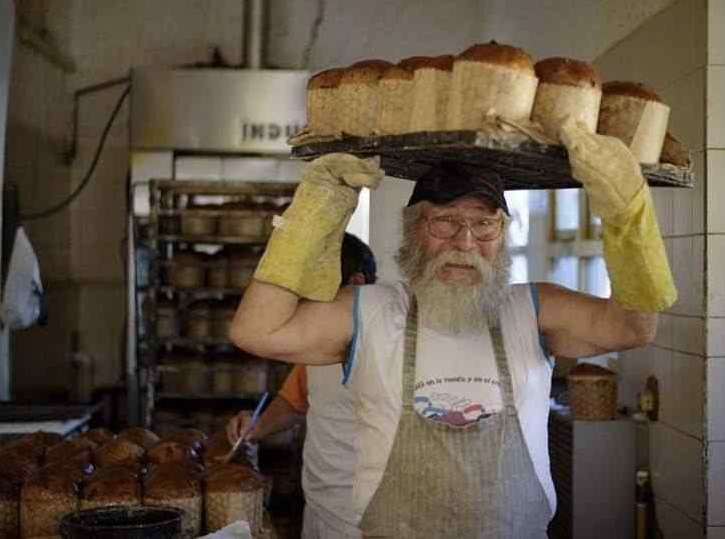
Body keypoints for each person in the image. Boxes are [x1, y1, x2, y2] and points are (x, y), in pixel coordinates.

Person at [230, 119, 676, 538]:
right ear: (412, 231)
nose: (465, 242)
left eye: (484, 224)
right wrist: (311, 214)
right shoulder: (370, 312)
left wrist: (628, 215)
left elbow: (633, 327)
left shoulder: (533, 308)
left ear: (503, 236)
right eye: (444, 221)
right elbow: (257, 331)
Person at [227, 232, 376, 539]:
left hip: (366, 518)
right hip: (320, 507)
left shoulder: (389, 340)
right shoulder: (318, 342)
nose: (305, 304)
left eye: (317, 291)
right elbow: (296, 401)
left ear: (356, 283)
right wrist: (256, 426)